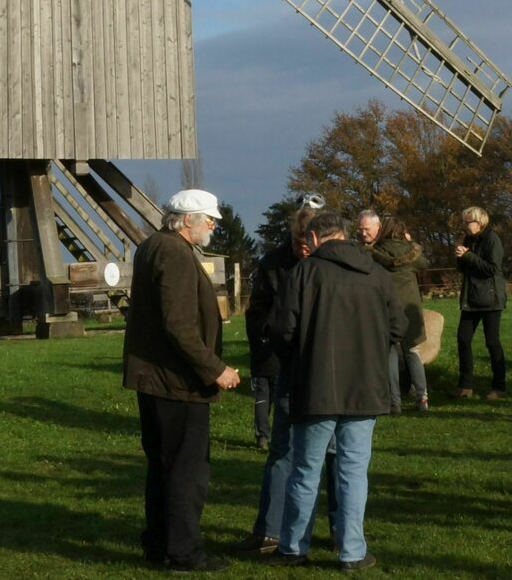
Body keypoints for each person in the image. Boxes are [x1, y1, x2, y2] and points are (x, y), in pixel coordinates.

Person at [270, 210, 403, 573]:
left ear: (314, 239)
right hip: (366, 386)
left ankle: (294, 545)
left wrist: (300, 358)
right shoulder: (377, 273)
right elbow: (398, 326)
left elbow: (282, 330)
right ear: (344, 235)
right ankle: (352, 551)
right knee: (353, 472)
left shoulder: (304, 273)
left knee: (306, 471)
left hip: (316, 387)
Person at [123, 188, 240, 573]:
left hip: (158, 378)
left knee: (163, 467)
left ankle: (158, 545)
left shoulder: (154, 246)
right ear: (187, 220)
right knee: (186, 471)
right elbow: (179, 325)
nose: (212, 226)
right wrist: (215, 368)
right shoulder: (173, 252)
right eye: (209, 219)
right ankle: (184, 552)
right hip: (176, 382)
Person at [239, 196, 323, 557]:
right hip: (285, 362)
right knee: (282, 449)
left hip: (322, 367)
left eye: (307, 244)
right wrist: (268, 351)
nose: (302, 250)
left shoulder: (331, 265)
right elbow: (257, 313)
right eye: (296, 244)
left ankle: (333, 531)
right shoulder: (274, 264)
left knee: (329, 455)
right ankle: (270, 530)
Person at [360, 210, 429, 412]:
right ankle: (422, 396)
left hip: (385, 304)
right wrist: (412, 242)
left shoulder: (374, 252)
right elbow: (424, 263)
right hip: (410, 305)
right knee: (412, 351)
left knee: (390, 351)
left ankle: (394, 401)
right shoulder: (411, 252)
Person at [453, 205, 507, 400]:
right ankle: (465, 385)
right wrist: (460, 257)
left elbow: (492, 268)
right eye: (464, 222)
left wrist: (468, 256)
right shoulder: (469, 240)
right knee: (463, 338)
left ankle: (499, 386)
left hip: (490, 299)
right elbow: (465, 268)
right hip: (471, 298)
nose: (466, 226)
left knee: (492, 342)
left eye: (469, 222)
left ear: (480, 222)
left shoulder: (493, 240)